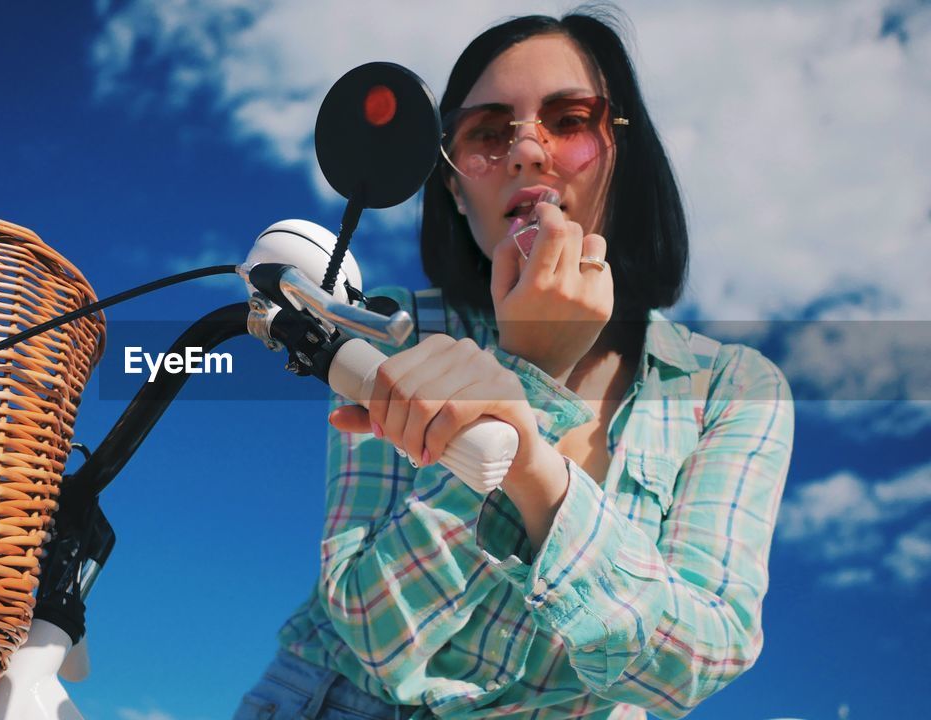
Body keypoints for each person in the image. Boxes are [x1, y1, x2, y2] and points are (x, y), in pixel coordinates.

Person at [234, 9, 793, 720]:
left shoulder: (733, 391)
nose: (528, 153)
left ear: (622, 154)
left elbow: (694, 661)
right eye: (489, 135)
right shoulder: (393, 327)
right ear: (453, 186)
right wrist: (532, 370)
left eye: (569, 120)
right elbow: (375, 632)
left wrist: (532, 454)